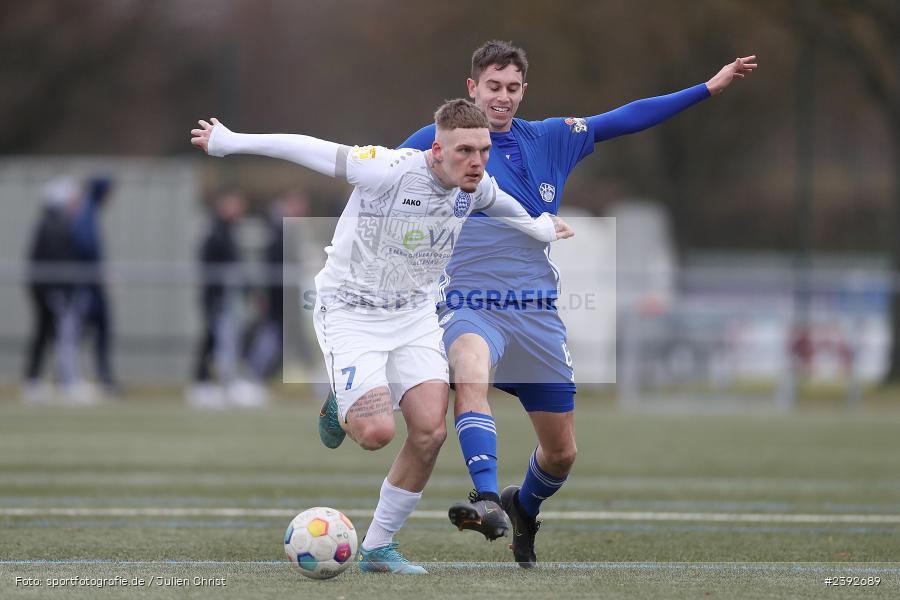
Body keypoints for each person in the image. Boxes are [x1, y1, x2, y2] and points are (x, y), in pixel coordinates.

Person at [397, 41, 757, 568]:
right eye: (492, 86)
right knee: (470, 374)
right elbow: (377, 179)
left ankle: (523, 506)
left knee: (561, 453)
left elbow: (625, 118)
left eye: (512, 87)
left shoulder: (550, 138)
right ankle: (487, 500)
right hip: (468, 304)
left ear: (524, 90)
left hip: (536, 313)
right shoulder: (435, 140)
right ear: (472, 88)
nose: (502, 97)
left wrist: (706, 88)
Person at [190, 99, 574, 573]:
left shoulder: (474, 186)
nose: (477, 162)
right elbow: (309, 148)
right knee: (376, 433)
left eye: (484, 151)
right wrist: (231, 142)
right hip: (351, 312)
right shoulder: (388, 169)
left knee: (431, 431)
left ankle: (377, 548)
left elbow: (502, 203)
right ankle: (342, 402)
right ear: (438, 150)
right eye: (465, 151)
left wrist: (539, 227)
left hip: (414, 315)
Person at [23, 177, 82, 401]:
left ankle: (36, 381)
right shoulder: (55, 224)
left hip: (46, 288)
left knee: (47, 334)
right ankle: (63, 382)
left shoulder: (51, 223)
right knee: (57, 334)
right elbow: (59, 260)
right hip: (51, 289)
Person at [188, 190, 248, 408]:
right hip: (215, 295)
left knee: (221, 339)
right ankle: (201, 383)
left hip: (225, 296)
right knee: (212, 338)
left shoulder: (228, 229)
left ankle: (220, 382)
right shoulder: (215, 229)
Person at [70, 175, 119, 395]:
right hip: (87, 286)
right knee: (79, 331)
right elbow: (87, 248)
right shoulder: (86, 213)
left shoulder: (90, 212)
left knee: (98, 330)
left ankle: (102, 377)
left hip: (91, 284)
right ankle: (73, 379)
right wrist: (100, 273)